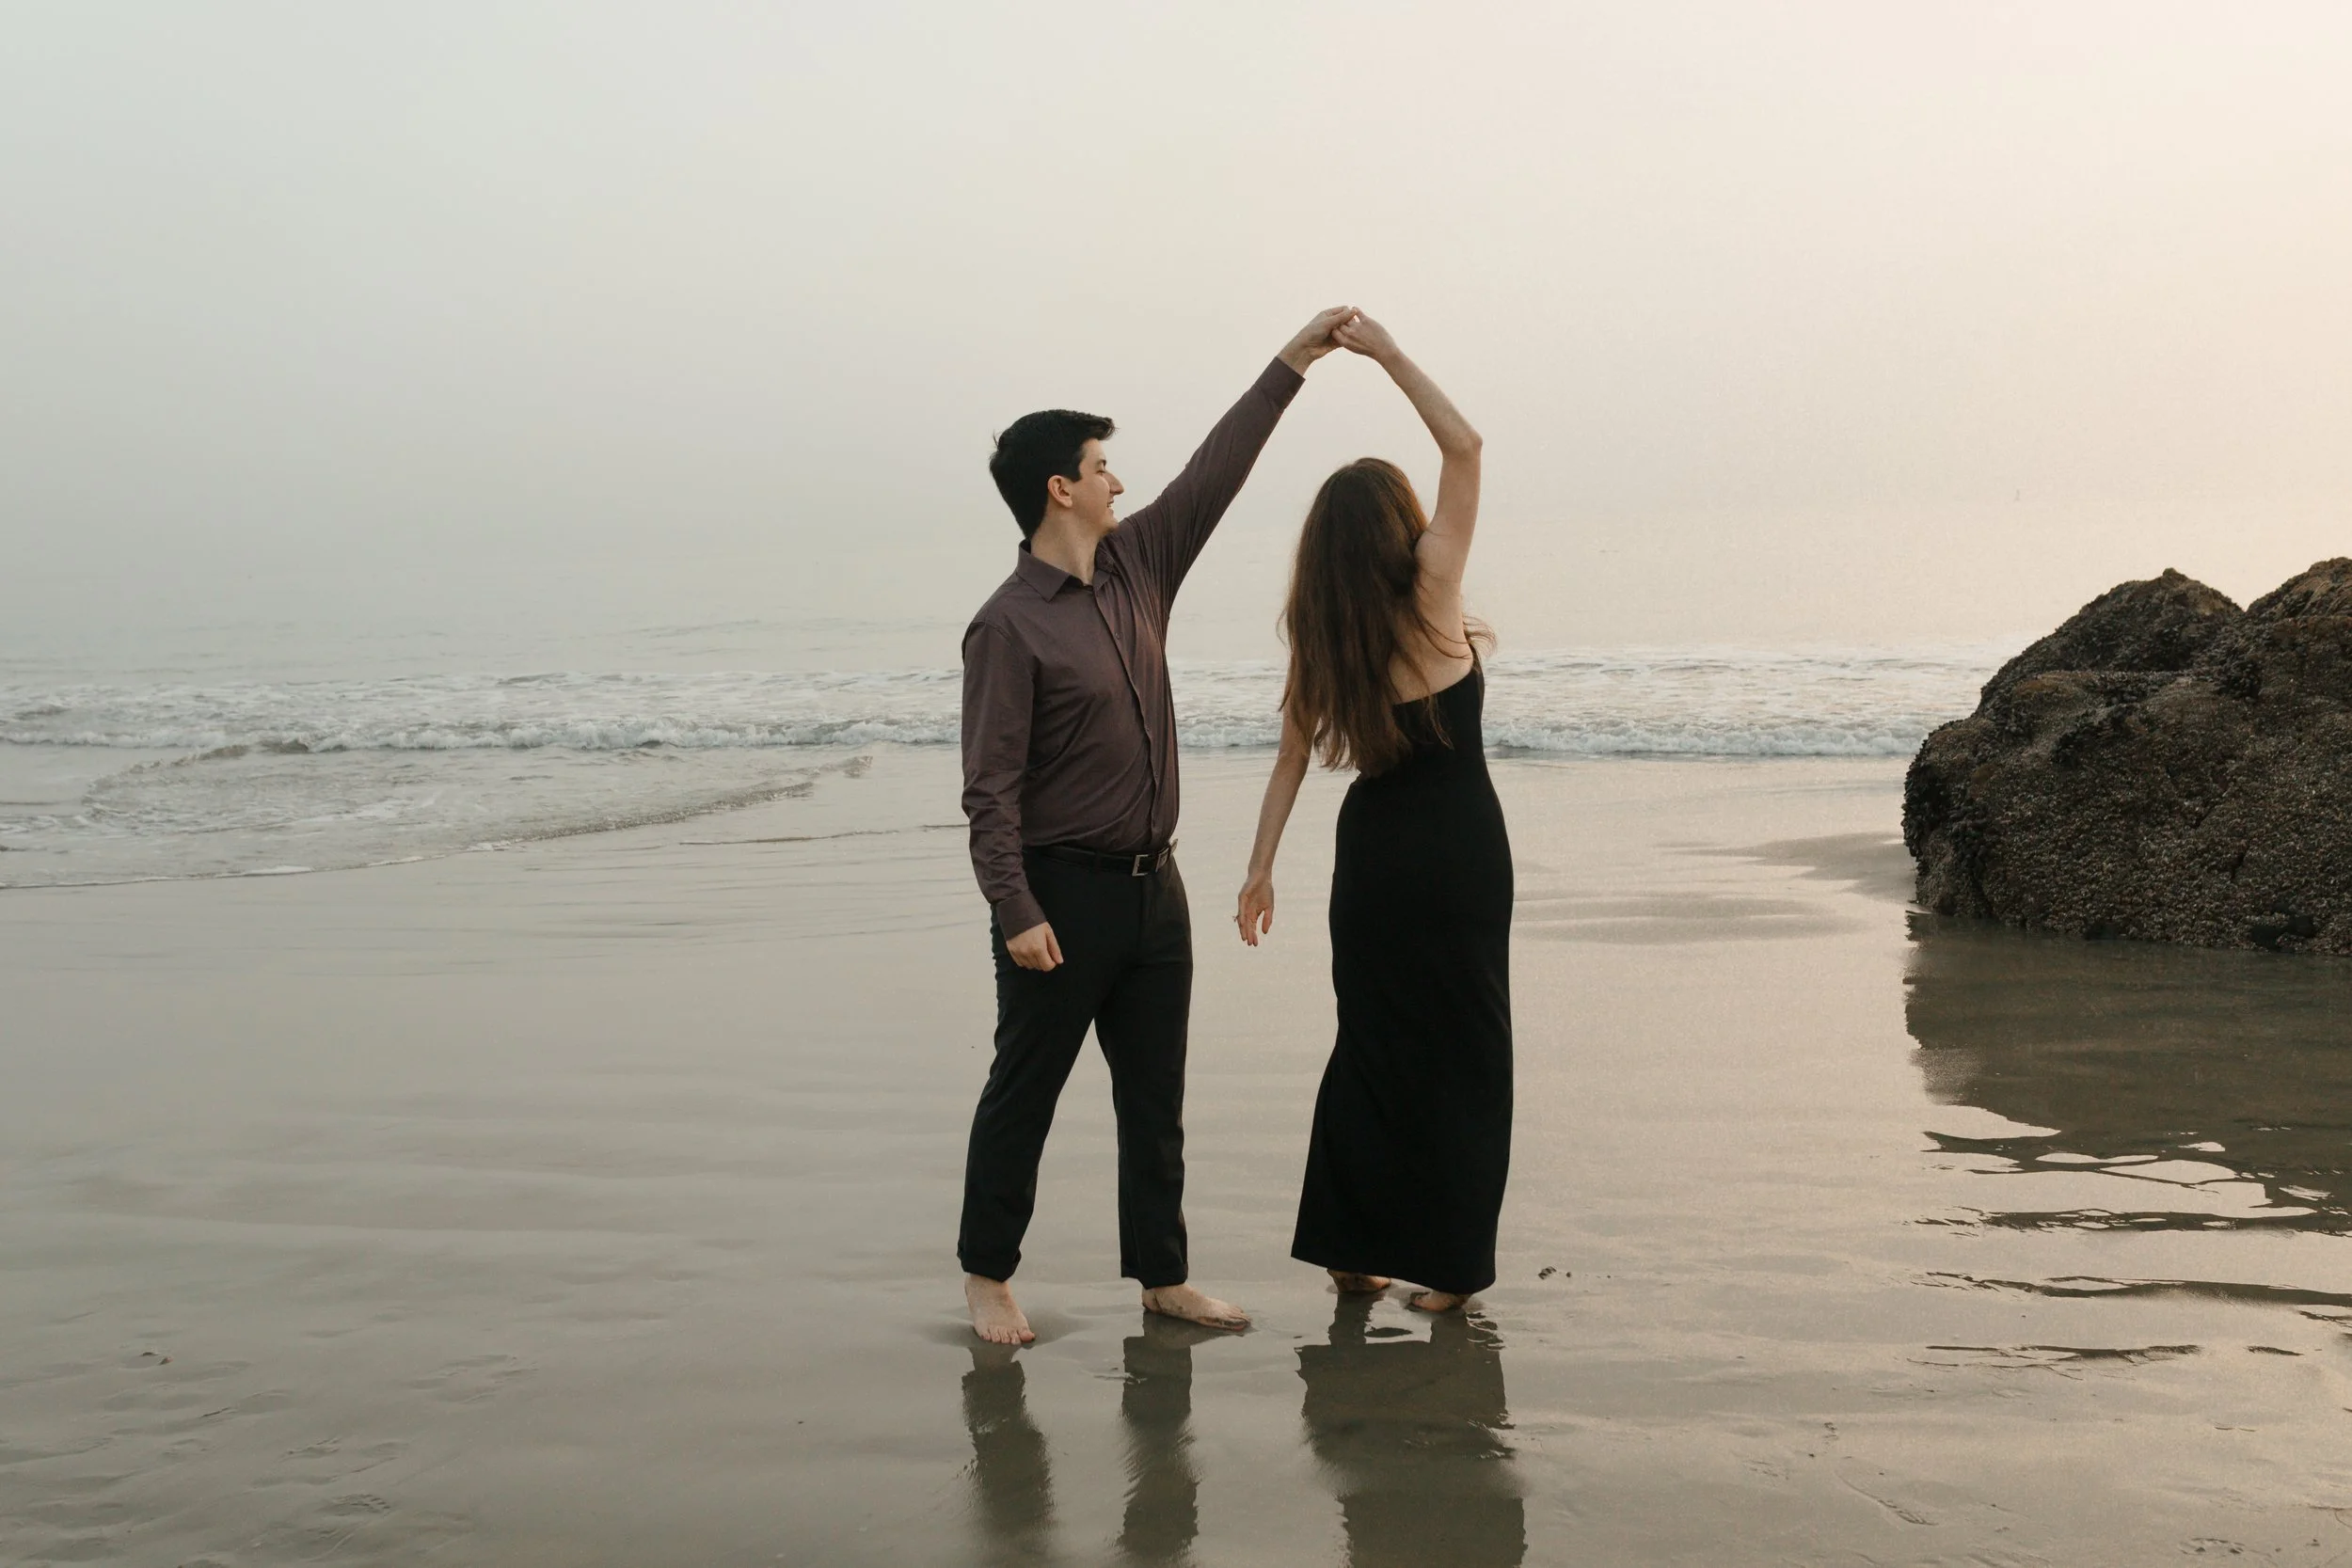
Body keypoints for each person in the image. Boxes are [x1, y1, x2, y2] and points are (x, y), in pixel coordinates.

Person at [959, 307, 1359, 1345]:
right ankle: (987, 1274)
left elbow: (1210, 475)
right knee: (1025, 1092)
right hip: (1060, 895)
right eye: (1100, 466)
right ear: (1060, 486)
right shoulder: (1008, 624)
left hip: (1155, 889)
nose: (1118, 482)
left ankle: (1162, 1277)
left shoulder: (1140, 568)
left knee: (1155, 1096)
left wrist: (1292, 362)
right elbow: (988, 787)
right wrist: (1014, 907)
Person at [1234, 311, 1512, 1311]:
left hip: (1375, 863)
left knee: (1372, 1049)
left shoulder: (1325, 639)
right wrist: (1388, 354)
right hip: (1462, 854)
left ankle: (1354, 1250)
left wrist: (1258, 871)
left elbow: (1290, 763)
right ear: (1399, 527)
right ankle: (1452, 1272)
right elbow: (1466, 444)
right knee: (1467, 1054)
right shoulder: (1433, 589)